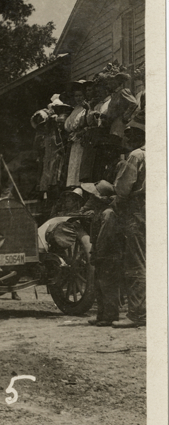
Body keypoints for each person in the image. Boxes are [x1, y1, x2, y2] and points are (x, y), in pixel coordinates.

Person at [112, 127, 145, 328]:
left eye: (130, 136)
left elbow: (123, 188)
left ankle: (138, 313)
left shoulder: (137, 155)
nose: (127, 139)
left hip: (139, 208)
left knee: (137, 262)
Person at [81, 181, 120, 327]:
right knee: (99, 284)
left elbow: (104, 238)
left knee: (107, 285)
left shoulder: (108, 214)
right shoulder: (100, 212)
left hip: (108, 255)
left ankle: (109, 316)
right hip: (102, 253)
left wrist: (98, 254)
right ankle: (101, 315)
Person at [64, 79, 94, 186]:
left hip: (83, 140)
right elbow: (68, 125)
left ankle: (81, 187)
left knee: (81, 165)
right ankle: (73, 187)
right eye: (76, 96)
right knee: (73, 165)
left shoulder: (87, 107)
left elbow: (88, 122)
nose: (78, 98)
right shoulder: (75, 109)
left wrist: (79, 131)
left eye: (80, 95)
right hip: (74, 141)